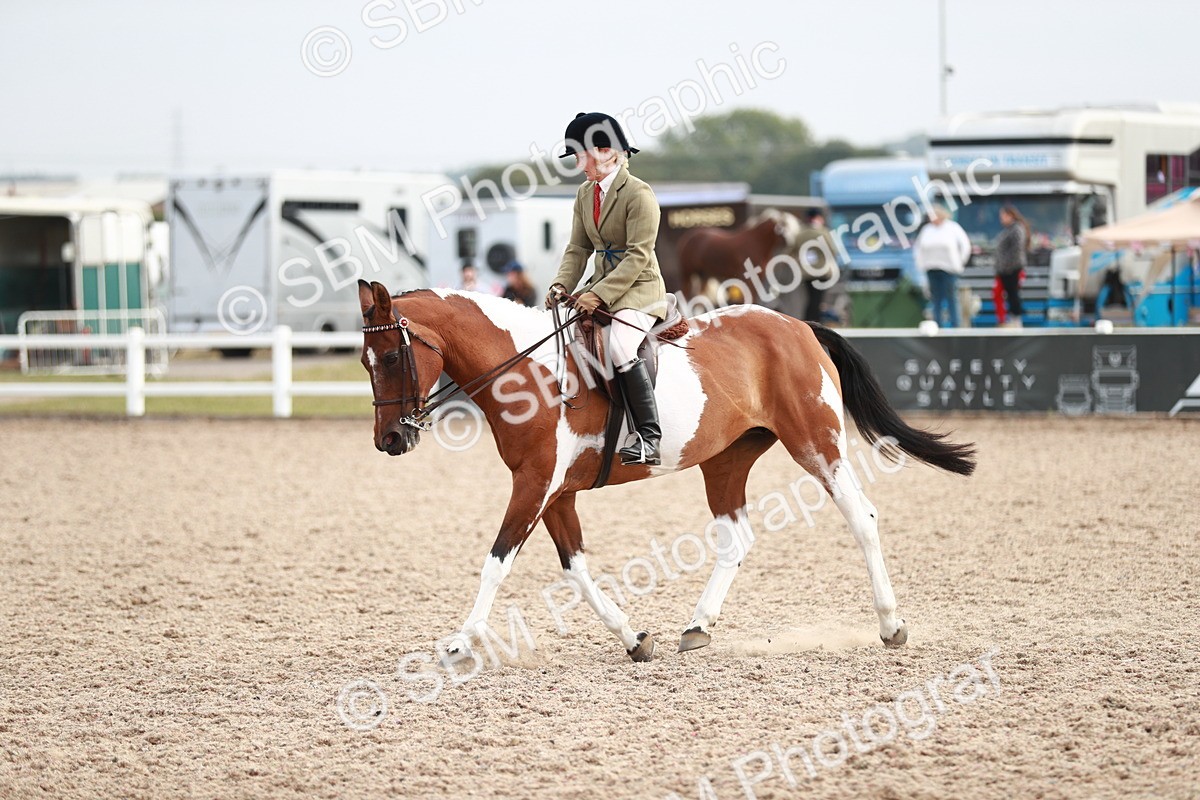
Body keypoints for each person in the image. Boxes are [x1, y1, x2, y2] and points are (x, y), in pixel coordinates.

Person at [545, 111, 668, 466]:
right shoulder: (585, 194)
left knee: (619, 345)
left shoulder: (639, 194)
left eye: (581, 156)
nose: (579, 165)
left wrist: (599, 294)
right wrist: (560, 284)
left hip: (641, 288)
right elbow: (578, 249)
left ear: (606, 151)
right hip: (598, 286)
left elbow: (639, 255)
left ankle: (648, 437)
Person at [913, 205, 970, 328]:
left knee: (951, 298)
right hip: (931, 268)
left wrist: (960, 262)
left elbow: (965, 245)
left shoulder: (953, 228)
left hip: (949, 269)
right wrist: (921, 265)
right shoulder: (927, 230)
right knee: (935, 299)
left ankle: (955, 325)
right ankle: (937, 325)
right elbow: (918, 249)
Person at [794, 208, 834, 322]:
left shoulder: (801, 234)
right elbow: (833, 250)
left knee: (810, 299)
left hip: (807, 273)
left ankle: (807, 322)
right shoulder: (823, 232)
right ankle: (816, 322)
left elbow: (794, 250)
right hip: (822, 272)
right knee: (818, 300)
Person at [995, 204, 1029, 327]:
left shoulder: (1017, 229)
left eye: (1003, 215)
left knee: (1013, 295)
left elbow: (1016, 250)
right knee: (1006, 295)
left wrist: (1007, 266)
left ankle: (1016, 320)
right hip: (1004, 270)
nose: (1001, 218)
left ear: (1010, 215)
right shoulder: (1008, 230)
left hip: (1012, 269)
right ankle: (1005, 319)